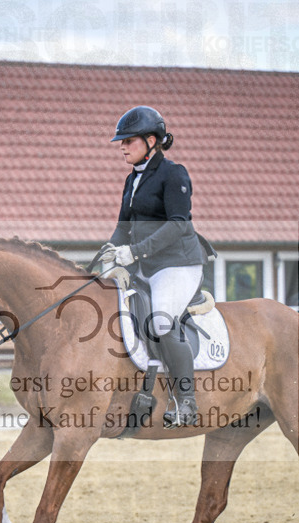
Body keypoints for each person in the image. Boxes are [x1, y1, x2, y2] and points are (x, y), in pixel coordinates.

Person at [100, 106, 206, 428]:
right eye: (121, 141)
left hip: (177, 265)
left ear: (151, 140)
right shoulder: (132, 179)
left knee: (161, 322)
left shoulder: (174, 174)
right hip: (144, 264)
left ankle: (187, 401)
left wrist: (134, 252)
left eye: (128, 141)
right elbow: (123, 227)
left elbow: (177, 225)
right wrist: (106, 255)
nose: (122, 146)